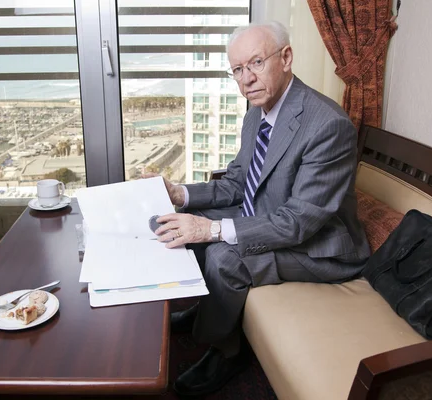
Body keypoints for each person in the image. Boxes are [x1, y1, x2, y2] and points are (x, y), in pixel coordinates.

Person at [152, 21, 370, 397]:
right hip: (270, 216)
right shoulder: (257, 111)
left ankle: (226, 352)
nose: (246, 79)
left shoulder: (328, 125)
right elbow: (238, 182)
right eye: (237, 69)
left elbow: (299, 222)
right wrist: (180, 195)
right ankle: (205, 312)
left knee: (223, 255)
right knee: (175, 222)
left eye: (255, 63)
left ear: (285, 58)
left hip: (319, 246)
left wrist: (212, 230)